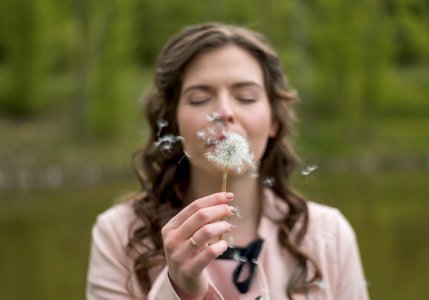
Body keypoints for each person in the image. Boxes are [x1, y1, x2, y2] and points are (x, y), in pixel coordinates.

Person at [86, 22, 369, 300]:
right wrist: (180, 291)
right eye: (198, 99)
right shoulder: (119, 235)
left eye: (246, 97)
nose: (223, 111)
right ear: (173, 122)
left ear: (273, 120)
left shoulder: (328, 235)